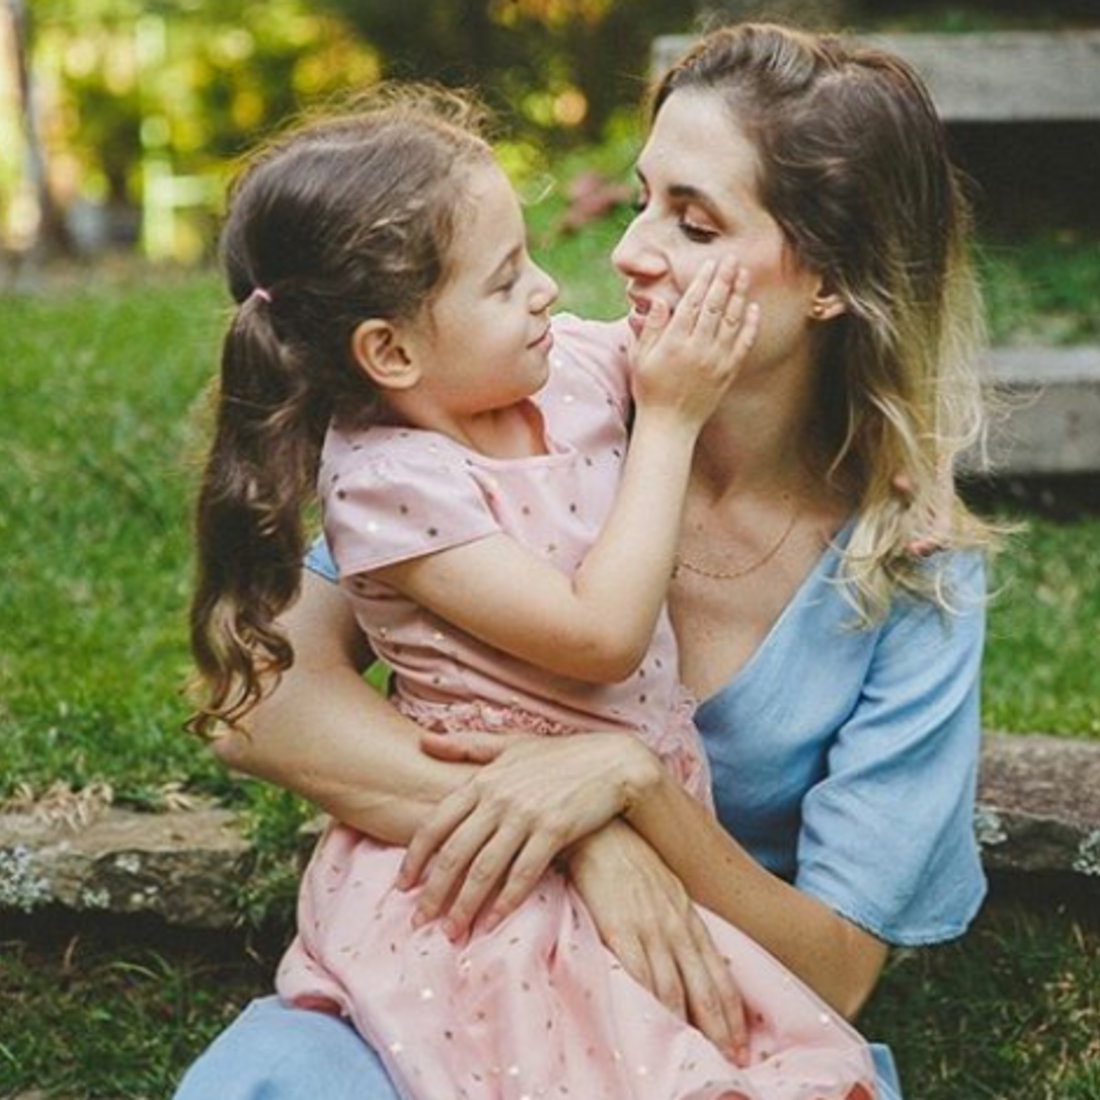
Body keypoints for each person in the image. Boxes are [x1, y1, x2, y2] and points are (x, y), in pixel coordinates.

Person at [175, 22, 994, 1100]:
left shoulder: (911, 570)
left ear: (831, 281)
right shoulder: (523, 412)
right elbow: (257, 698)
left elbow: (837, 970)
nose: (627, 253)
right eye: (643, 197)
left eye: (694, 222)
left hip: (683, 1015)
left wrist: (632, 788)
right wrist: (582, 837)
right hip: (459, 971)